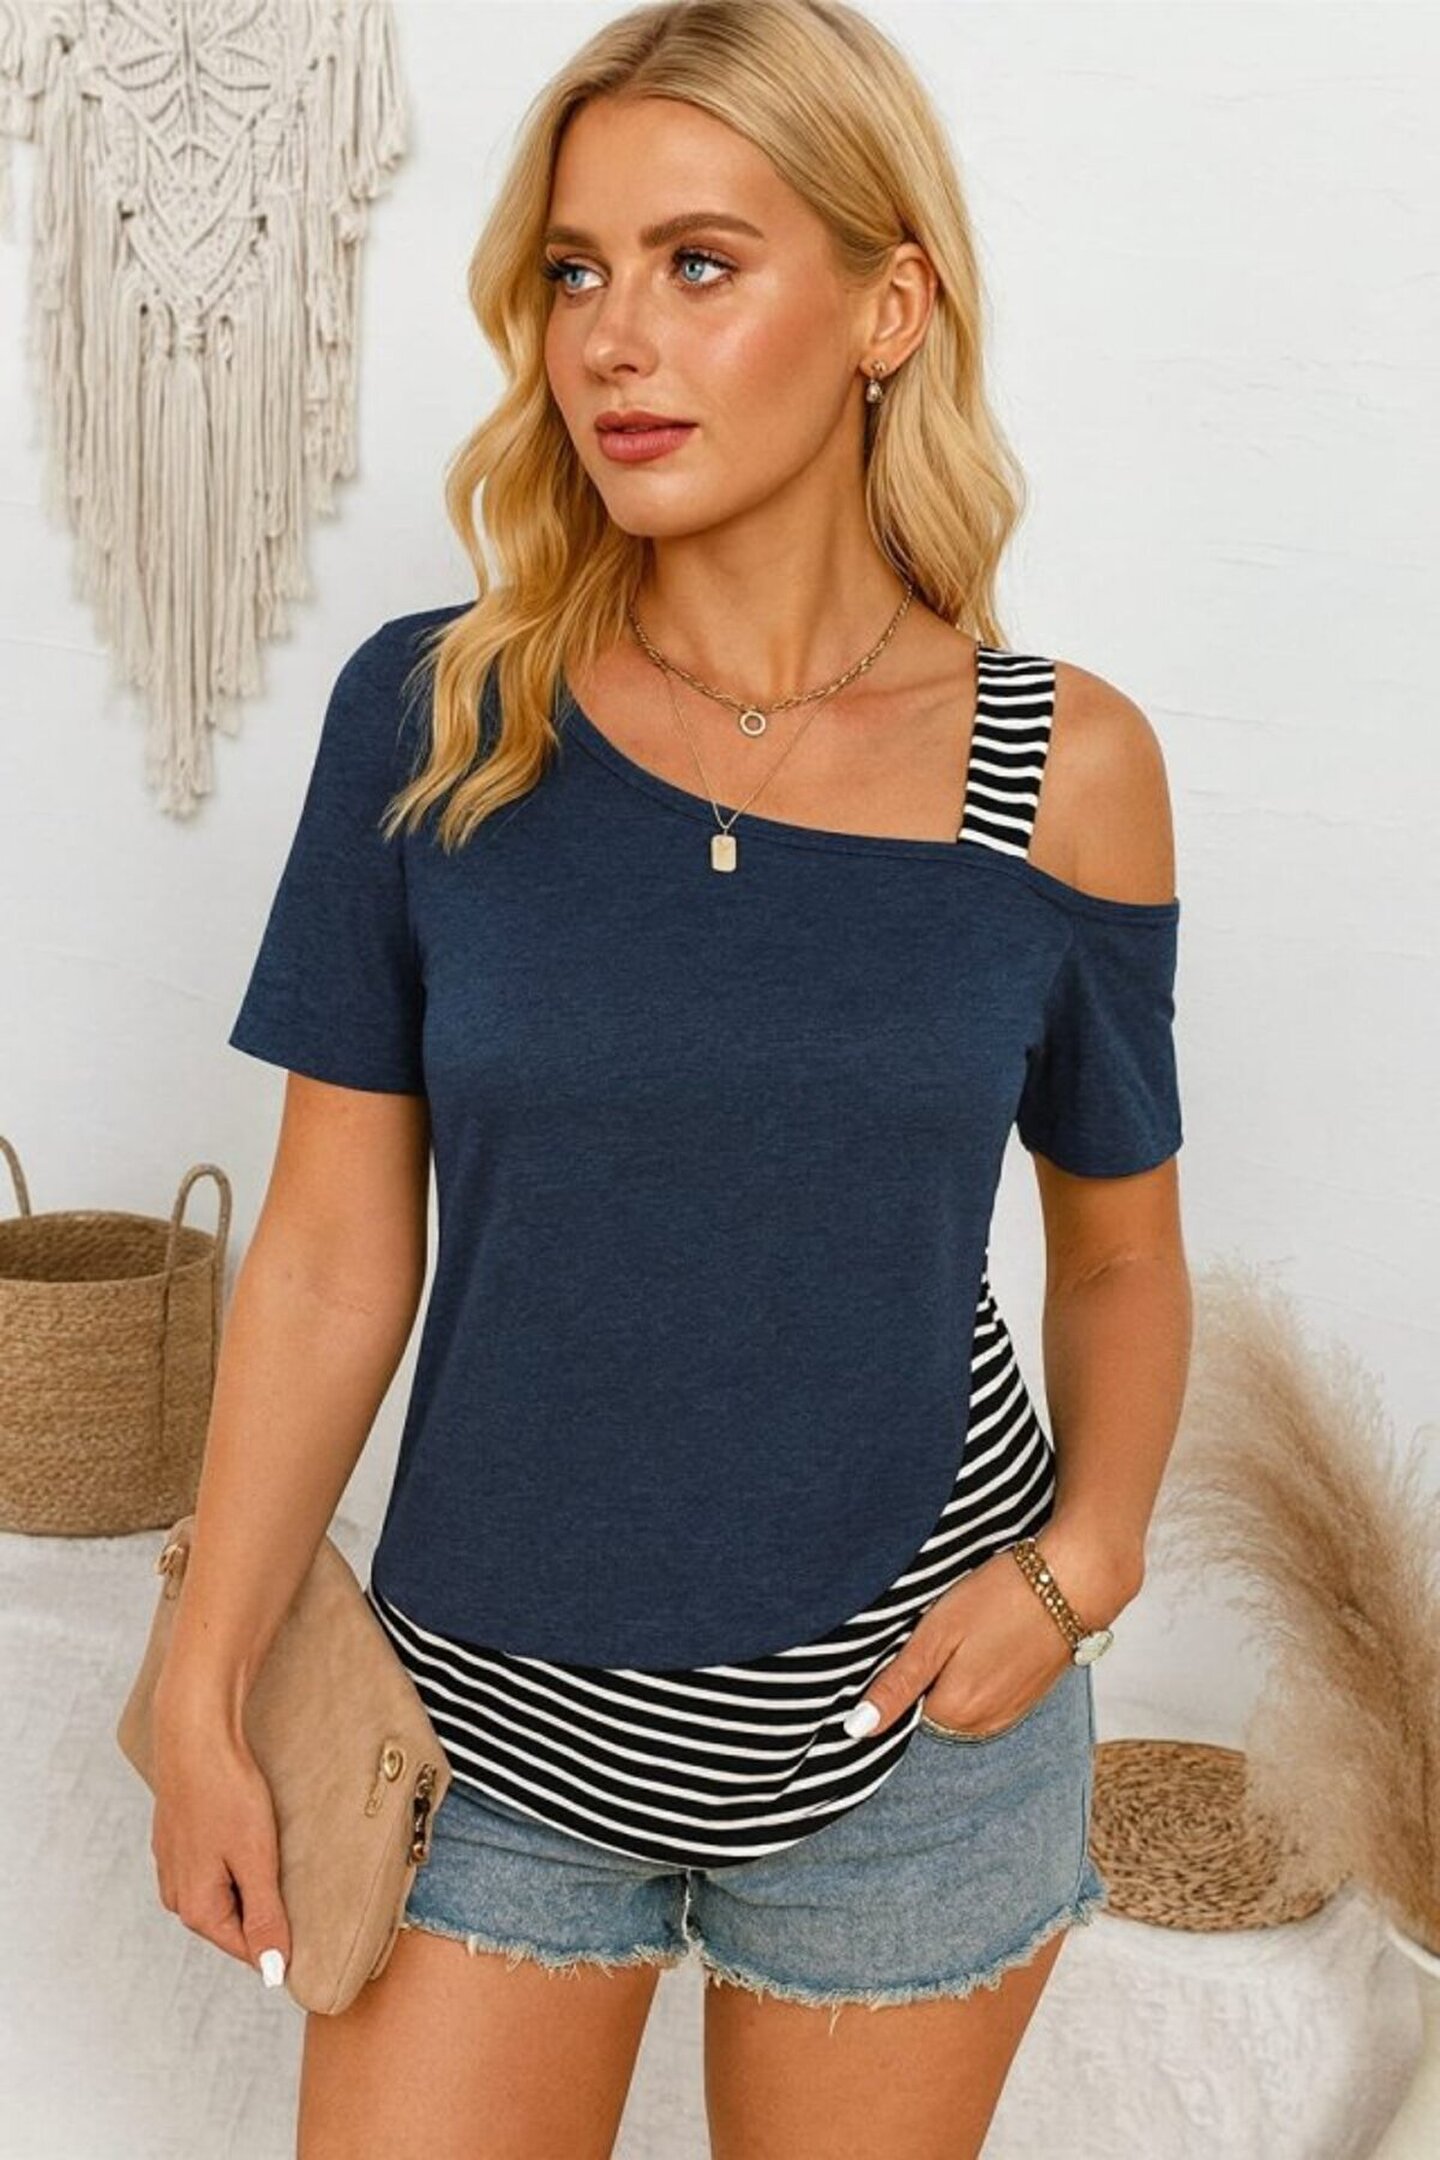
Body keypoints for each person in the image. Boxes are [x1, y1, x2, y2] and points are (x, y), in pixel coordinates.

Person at [149, 3, 1193, 2154]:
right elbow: (331, 1253)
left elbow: (1116, 1255)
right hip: (481, 1731)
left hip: (916, 1732)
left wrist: (1082, 1564)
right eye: (575, 270)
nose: (614, 339)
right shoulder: (440, 719)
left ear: (889, 308)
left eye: (700, 264)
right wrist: (202, 1679)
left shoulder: (1062, 770)